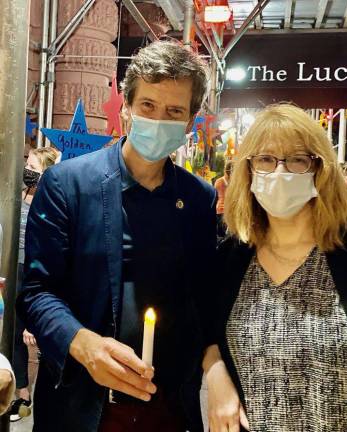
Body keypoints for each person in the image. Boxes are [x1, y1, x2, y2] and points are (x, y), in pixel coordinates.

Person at [16, 40, 216, 432]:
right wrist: (83, 344)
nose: (159, 119)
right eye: (148, 106)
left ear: (190, 122)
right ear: (126, 108)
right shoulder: (68, 184)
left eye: (174, 111)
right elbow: (37, 291)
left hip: (168, 408)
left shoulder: (197, 199)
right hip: (83, 404)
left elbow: (201, 297)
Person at [202, 104, 347, 432]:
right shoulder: (232, 258)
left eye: (296, 159)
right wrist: (215, 369)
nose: (280, 172)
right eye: (265, 159)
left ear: (319, 169)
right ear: (248, 172)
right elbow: (203, 329)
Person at [10, 147, 59, 422]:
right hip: (12, 267)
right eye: (26, 163)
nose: (27, 169)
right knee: (14, 333)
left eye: (33, 166)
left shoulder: (49, 203)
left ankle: (31, 398)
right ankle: (19, 392)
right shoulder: (19, 194)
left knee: (31, 335)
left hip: (32, 270)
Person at [214, 160, 233, 238]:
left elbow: (215, 196)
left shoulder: (219, 181)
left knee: (220, 235)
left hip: (219, 210)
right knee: (225, 235)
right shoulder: (232, 182)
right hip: (226, 211)